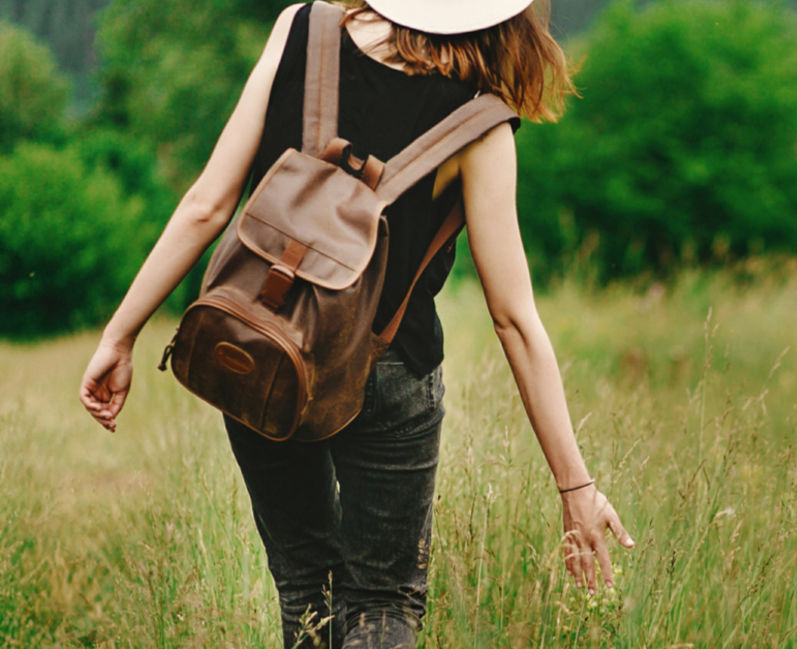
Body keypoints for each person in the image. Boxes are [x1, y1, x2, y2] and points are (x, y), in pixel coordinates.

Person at [78, 1, 634, 646]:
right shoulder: (482, 120)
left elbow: (207, 204)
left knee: (303, 586)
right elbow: (512, 317)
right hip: (389, 370)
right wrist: (575, 485)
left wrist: (120, 335)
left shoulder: (302, 28)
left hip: (263, 343)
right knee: (380, 604)